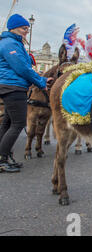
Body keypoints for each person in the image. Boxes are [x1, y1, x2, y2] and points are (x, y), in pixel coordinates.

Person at [0, 14, 53, 173]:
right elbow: (22, 68)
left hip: (11, 86)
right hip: (13, 87)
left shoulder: (13, 43)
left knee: (7, 123)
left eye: (27, 29)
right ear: (13, 28)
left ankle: (4, 156)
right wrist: (42, 82)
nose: (26, 32)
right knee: (18, 124)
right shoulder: (10, 44)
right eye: (24, 28)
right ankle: (2, 159)